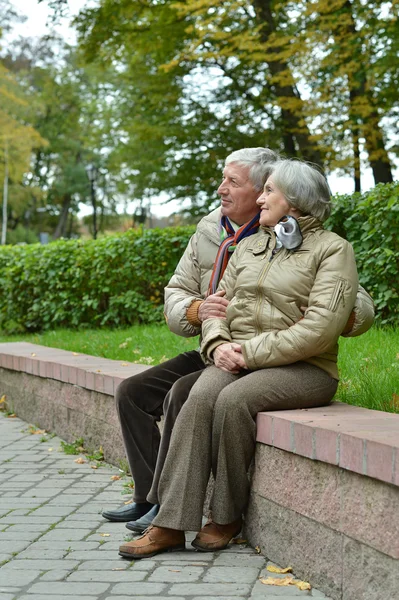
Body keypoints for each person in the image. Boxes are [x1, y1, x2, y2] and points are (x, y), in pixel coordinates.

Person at [103, 150, 374, 533]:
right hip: (226, 350)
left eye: (239, 183)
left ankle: (204, 513)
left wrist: (337, 318)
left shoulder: (324, 246)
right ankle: (158, 511)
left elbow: (340, 310)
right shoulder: (227, 236)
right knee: (159, 393)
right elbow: (195, 297)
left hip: (283, 359)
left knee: (205, 396)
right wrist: (209, 329)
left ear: (287, 199)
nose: (222, 189)